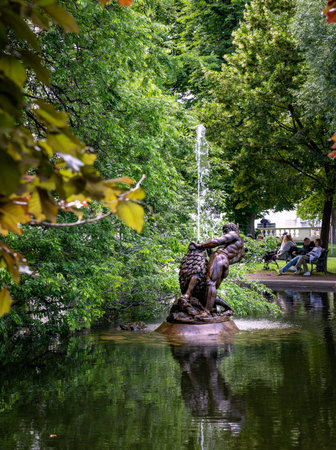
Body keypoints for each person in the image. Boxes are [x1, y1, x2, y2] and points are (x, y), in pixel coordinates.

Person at [191, 223, 244, 316]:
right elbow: (236, 259)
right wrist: (210, 252)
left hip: (219, 257)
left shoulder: (233, 234)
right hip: (225, 263)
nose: (224, 233)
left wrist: (200, 246)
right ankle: (211, 310)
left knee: (210, 284)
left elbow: (216, 241)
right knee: (212, 287)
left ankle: (206, 312)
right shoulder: (240, 245)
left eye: (225, 231)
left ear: (229, 229)